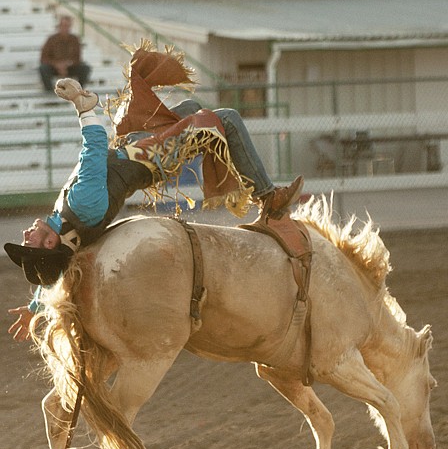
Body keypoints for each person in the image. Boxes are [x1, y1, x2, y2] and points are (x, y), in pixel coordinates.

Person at [7, 43, 304, 341]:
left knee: (188, 109)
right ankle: (269, 197)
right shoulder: (81, 205)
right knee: (227, 119)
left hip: (136, 149)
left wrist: (36, 307)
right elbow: (94, 147)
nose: (25, 235)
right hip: (151, 154)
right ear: (48, 242)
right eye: (28, 243)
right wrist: (84, 108)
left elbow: (55, 267)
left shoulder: (68, 234)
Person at [39, 15, 91, 92]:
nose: (65, 28)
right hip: (54, 67)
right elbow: (44, 58)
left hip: (70, 67)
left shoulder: (74, 39)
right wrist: (57, 65)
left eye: (67, 26)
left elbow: (77, 58)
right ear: (59, 26)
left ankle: (78, 91)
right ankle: (49, 92)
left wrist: (67, 64)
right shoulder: (51, 39)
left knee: (85, 68)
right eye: (63, 25)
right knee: (43, 69)